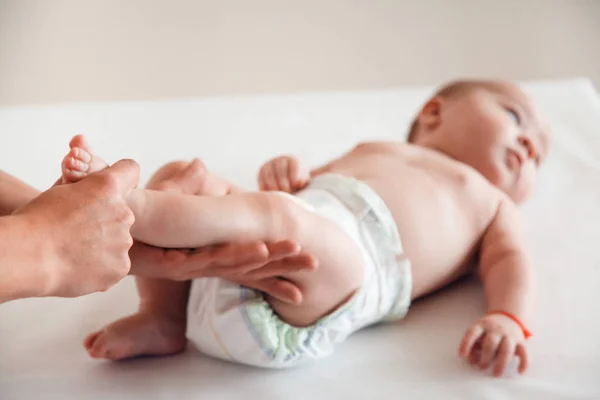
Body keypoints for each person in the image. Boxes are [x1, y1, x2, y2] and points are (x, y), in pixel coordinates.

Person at [61, 80, 548, 377]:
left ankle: (125, 203)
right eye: (514, 117)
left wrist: (508, 316)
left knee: (283, 217)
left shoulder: (492, 204)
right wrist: (289, 172)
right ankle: (162, 315)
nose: (528, 146)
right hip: (248, 254)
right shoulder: (377, 148)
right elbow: (305, 189)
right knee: (188, 175)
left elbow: (512, 259)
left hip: (331, 286)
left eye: (538, 156)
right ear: (435, 111)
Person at [0, 165, 314, 304]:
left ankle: (132, 203)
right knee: (181, 173)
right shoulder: (353, 163)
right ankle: (162, 317)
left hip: (305, 272)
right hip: (275, 264)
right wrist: (51, 240)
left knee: (279, 213)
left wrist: (56, 219)